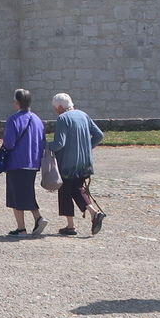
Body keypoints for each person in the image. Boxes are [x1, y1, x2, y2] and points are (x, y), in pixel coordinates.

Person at [49, 93, 107, 235]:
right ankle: (93, 213)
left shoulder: (62, 119)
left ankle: (71, 225)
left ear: (60, 107)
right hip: (85, 161)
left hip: (68, 164)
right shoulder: (83, 115)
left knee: (65, 191)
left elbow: (59, 143)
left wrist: (44, 145)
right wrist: (87, 148)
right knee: (77, 189)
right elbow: (99, 135)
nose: (55, 110)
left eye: (55, 108)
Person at [1, 88, 46, 236]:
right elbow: (43, 141)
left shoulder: (13, 120)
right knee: (27, 192)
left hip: (17, 161)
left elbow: (9, 143)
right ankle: (37, 219)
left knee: (16, 196)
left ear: (16, 102)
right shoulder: (37, 120)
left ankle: (22, 228)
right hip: (33, 162)